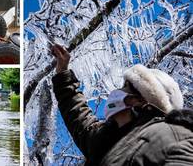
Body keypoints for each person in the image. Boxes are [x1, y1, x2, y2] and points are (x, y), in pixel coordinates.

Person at [50, 44, 193, 165]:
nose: (116, 91)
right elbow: (77, 113)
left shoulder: (173, 136)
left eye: (125, 86)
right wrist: (63, 73)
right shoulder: (103, 141)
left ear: (139, 100)